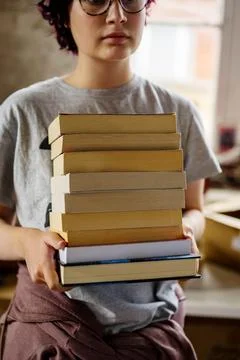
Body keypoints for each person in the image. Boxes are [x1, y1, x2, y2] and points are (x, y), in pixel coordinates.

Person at [0, 0, 221, 359]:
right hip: (50, 328)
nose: (117, 15)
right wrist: (27, 240)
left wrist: (185, 229)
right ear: (63, 13)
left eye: (130, 1)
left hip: (152, 331)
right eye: (95, 1)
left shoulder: (179, 112)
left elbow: (195, 211)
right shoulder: (22, 112)